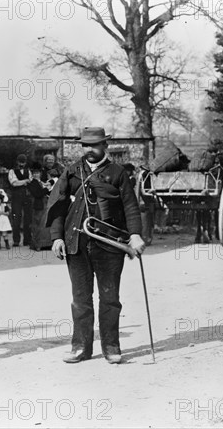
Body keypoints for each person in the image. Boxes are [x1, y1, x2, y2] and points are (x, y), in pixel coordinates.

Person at [45, 127, 146, 365]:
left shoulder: (118, 173)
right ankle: (80, 347)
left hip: (109, 245)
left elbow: (130, 206)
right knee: (80, 298)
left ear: (105, 146)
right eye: (85, 145)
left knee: (110, 298)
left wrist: (135, 235)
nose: (89, 149)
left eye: (94, 145)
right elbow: (58, 206)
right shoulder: (71, 172)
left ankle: (111, 347)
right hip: (76, 244)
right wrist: (57, 237)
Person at [8, 154, 33, 247]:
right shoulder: (12, 171)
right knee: (16, 218)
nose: (21, 164)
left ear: (25, 163)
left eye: (23, 162)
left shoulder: (28, 171)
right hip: (16, 197)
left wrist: (21, 182)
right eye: (20, 162)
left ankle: (27, 240)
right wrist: (25, 181)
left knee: (28, 218)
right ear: (17, 162)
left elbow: (30, 181)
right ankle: (16, 240)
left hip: (26, 196)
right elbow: (14, 183)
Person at [28, 164, 51, 251]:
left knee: (45, 224)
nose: (36, 175)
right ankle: (37, 244)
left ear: (40, 173)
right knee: (38, 225)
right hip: (38, 205)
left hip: (45, 204)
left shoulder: (41, 182)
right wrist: (46, 189)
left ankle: (45, 244)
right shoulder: (32, 183)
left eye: (37, 173)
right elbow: (37, 194)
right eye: (34, 173)